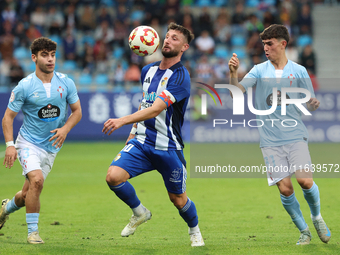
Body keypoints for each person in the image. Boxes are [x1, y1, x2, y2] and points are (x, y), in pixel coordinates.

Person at [103, 23, 204, 247]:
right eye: (167, 37)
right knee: (113, 176)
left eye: (175, 38)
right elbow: (145, 103)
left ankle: (194, 230)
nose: (168, 41)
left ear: (184, 46)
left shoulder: (181, 77)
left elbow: (157, 108)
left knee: (178, 199)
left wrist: (121, 120)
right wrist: (132, 131)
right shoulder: (147, 71)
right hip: (142, 141)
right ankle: (140, 213)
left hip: (168, 147)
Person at [228, 24, 330, 245]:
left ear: (283, 44)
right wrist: (234, 74)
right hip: (270, 142)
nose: (266, 48)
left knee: (304, 181)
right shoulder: (258, 70)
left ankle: (317, 216)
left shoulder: (300, 71)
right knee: (285, 189)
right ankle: (304, 231)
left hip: (295, 136)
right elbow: (237, 94)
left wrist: (313, 103)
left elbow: (309, 104)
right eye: (264, 44)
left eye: (270, 44)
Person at [0, 37, 82, 244]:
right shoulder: (24, 86)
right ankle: (33, 233)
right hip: (28, 143)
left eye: (53, 55)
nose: (50, 59)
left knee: (27, 193)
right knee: (37, 181)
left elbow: (77, 111)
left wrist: (65, 129)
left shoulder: (66, 82)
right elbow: (7, 118)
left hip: (51, 147)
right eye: (45, 55)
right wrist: (10, 146)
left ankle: (5, 208)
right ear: (34, 58)